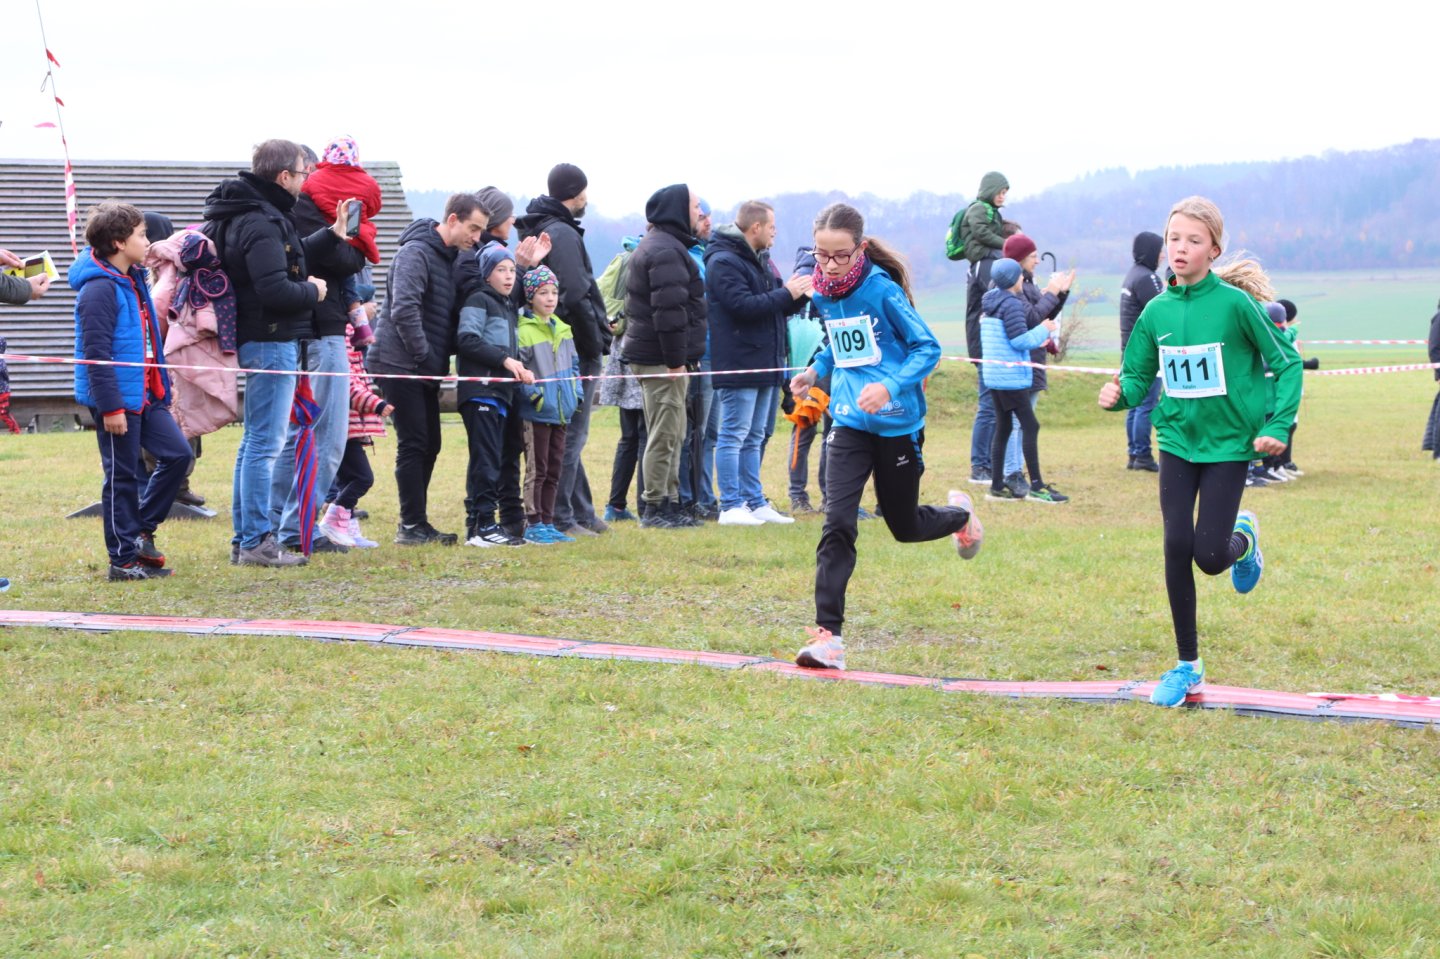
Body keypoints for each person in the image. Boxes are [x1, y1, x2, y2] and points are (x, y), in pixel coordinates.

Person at [1099, 196, 1302, 707]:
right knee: (1175, 544)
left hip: (1228, 445)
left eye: (1193, 240)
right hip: (1176, 441)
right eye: (1174, 239)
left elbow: (1287, 362)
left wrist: (1278, 423)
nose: (1181, 248)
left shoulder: (1236, 306)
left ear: (1213, 249)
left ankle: (1244, 540)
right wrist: (1118, 394)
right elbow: (1137, 375)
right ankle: (1188, 665)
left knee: (1209, 558)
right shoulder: (1156, 311)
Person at [790, 203, 984, 671]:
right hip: (848, 421)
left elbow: (927, 348)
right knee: (838, 522)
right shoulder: (822, 292)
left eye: (840, 255)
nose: (829, 265)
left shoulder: (882, 290)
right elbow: (837, 344)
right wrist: (814, 372)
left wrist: (890, 387)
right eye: (821, 255)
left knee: (904, 526)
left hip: (898, 423)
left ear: (859, 249)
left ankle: (961, 516)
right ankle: (828, 638)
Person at [204, 138, 346, 568]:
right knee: (265, 444)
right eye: (303, 173)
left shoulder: (254, 212)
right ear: (284, 176)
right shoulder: (261, 220)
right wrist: (313, 291)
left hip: (264, 339)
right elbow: (274, 288)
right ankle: (255, 541)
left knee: (255, 442)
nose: (306, 180)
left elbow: (287, 255)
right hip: (270, 340)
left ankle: (246, 539)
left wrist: (331, 235)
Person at [70, 201, 194, 580]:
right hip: (117, 400)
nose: (147, 241)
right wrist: (110, 408)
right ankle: (122, 561)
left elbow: (148, 340)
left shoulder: (135, 279)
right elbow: (96, 355)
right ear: (119, 243)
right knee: (122, 477)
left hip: (146, 394)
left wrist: (161, 386)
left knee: (178, 455)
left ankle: (141, 531)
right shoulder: (98, 290)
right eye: (141, 235)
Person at [367, 192, 489, 545]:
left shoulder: (449, 258)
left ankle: (417, 522)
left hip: (423, 367)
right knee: (415, 443)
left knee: (430, 443)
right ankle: (410, 526)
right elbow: (404, 310)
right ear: (452, 219)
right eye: (473, 228)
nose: (476, 237)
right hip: (399, 363)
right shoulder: (416, 252)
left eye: (480, 231)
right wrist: (425, 355)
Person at [276, 138, 374, 552]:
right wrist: (347, 238)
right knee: (326, 437)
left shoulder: (293, 209)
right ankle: (295, 528)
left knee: (296, 434)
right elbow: (348, 261)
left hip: (307, 328)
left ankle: (280, 526)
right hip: (322, 328)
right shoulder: (303, 210)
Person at [515, 164, 609, 537]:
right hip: (572, 348)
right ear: (576, 193)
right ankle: (562, 517)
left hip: (559, 345)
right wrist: (594, 340)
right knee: (571, 435)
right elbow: (575, 292)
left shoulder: (544, 227)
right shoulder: (563, 233)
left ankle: (582, 511)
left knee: (569, 432)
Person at [705, 200, 811, 526]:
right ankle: (730, 505)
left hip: (767, 361)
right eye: (772, 227)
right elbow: (743, 306)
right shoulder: (723, 261)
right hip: (740, 361)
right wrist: (787, 293)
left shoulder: (761, 260)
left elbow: (774, 306)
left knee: (755, 435)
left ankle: (754, 501)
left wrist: (799, 295)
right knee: (733, 434)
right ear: (756, 227)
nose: (775, 233)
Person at [619, 184, 708, 529]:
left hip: (665, 358)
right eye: (696, 206)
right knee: (664, 434)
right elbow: (669, 313)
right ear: (678, 209)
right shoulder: (665, 251)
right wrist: (675, 361)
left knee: (674, 432)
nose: (700, 213)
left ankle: (670, 503)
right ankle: (655, 507)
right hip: (661, 359)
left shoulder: (667, 246)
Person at [455, 244, 532, 547]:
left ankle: (479, 525)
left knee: (493, 460)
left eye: (512, 270)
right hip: (481, 392)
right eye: (501, 270)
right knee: (485, 461)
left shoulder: (508, 305)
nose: (509, 276)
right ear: (487, 274)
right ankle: (484, 525)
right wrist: (505, 360)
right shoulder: (478, 300)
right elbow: (466, 339)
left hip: (501, 394)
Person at [980, 258, 1065, 504]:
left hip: (995, 376)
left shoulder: (991, 302)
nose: (1022, 279)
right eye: (1019, 275)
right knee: (1031, 426)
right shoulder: (1012, 304)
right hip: (1011, 378)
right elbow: (1018, 341)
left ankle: (997, 486)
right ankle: (1037, 486)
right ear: (1013, 279)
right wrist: (1044, 329)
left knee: (1004, 427)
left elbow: (1006, 337)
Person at [996, 233, 1073, 498]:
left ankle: (1018, 473)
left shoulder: (1027, 285)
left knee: (1023, 422)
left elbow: (1045, 315)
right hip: (1021, 363)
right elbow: (1032, 319)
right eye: (1033, 256)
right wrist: (1051, 292)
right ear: (1019, 260)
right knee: (1017, 424)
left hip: (1033, 362)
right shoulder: (1012, 291)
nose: (1038, 261)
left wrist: (1061, 293)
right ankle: (1012, 473)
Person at [516, 266, 583, 544]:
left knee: (555, 468)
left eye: (554, 292)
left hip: (562, 411)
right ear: (531, 296)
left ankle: (548, 520)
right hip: (537, 413)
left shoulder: (564, 330)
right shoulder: (523, 331)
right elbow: (519, 372)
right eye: (543, 293)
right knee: (538, 469)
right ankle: (532, 523)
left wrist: (576, 394)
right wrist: (537, 398)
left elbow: (575, 367)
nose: (550, 298)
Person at [317, 319, 392, 548]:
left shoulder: (353, 347)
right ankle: (332, 521)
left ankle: (347, 529)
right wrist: (376, 404)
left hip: (350, 427)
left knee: (346, 481)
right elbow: (347, 386)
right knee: (362, 478)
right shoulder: (341, 338)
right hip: (344, 427)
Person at [959, 172, 1010, 486]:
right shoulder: (984, 265)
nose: (1003, 196)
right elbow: (994, 305)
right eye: (1000, 191)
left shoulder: (990, 261)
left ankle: (991, 463)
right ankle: (979, 466)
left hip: (993, 345)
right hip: (985, 345)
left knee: (996, 406)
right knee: (989, 406)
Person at [1120, 231, 1167, 472]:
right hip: (1146, 354)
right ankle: (1143, 454)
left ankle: (1134, 453)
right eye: (1160, 250)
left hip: (1130, 350)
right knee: (1146, 404)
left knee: (1135, 403)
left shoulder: (1133, 274)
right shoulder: (1148, 278)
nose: (1163, 255)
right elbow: (1163, 311)